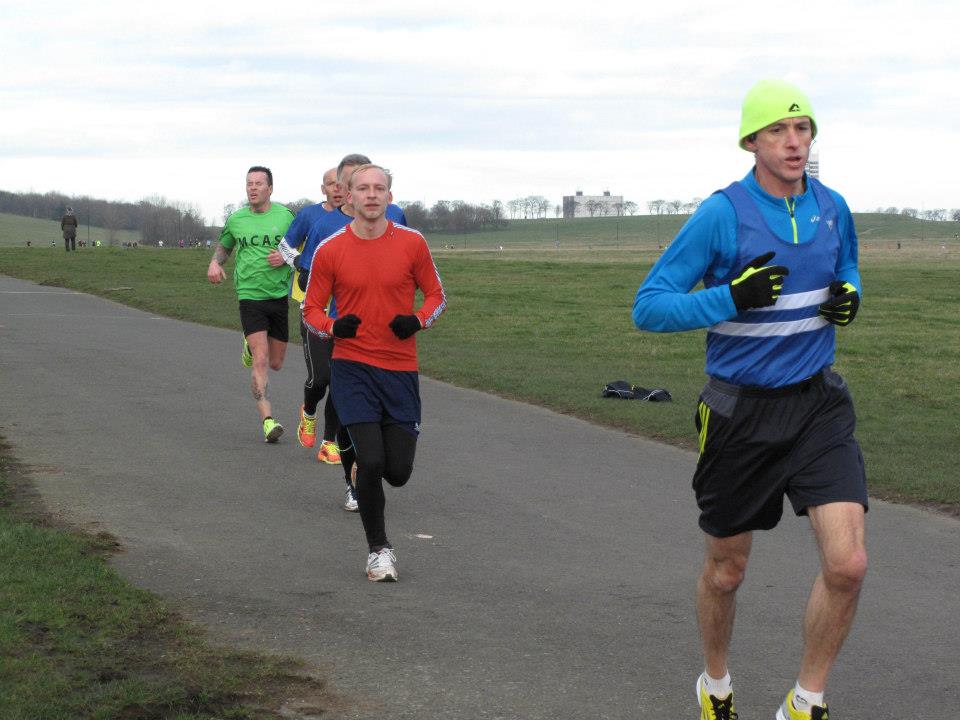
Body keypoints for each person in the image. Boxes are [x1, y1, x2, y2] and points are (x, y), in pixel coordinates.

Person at [632, 79, 866, 720]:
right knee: (727, 571)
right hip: (741, 410)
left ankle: (806, 701)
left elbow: (846, 268)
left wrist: (850, 296)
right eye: (778, 131)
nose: (794, 142)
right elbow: (648, 308)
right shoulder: (722, 214)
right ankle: (715, 683)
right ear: (751, 141)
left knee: (847, 565)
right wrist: (731, 297)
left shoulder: (833, 206)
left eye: (803, 129)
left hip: (819, 404)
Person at [302, 164, 445, 581]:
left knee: (397, 472)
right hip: (352, 366)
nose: (371, 195)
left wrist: (417, 320)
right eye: (362, 188)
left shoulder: (412, 243)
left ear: (389, 196)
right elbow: (311, 309)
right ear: (347, 195)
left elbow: (436, 295)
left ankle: (353, 455)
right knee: (371, 458)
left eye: (379, 188)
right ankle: (379, 551)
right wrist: (333, 327)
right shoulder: (331, 248)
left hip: (400, 369)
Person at [277, 154, 408, 511]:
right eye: (348, 184)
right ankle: (322, 431)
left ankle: (339, 448)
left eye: (370, 185)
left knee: (366, 402)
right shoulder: (321, 223)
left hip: (375, 328)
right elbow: (297, 257)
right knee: (325, 380)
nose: (351, 192)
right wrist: (303, 271)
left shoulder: (396, 218)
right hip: (328, 321)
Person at [207, 166, 295, 443]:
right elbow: (225, 246)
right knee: (261, 360)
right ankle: (268, 421)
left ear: (270, 188)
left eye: (259, 183)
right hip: (249, 295)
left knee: (277, 362)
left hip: (279, 296)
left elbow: (302, 248)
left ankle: (249, 343)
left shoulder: (286, 216)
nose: (253, 188)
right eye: (249, 183)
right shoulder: (236, 219)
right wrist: (214, 263)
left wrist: (286, 258)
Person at [271, 165, 348, 465]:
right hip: (312, 304)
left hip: (345, 311)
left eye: (342, 184)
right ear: (324, 189)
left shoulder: (359, 222)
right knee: (321, 379)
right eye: (332, 184)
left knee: (340, 380)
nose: (338, 189)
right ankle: (309, 410)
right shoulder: (312, 217)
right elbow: (285, 247)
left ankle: (329, 442)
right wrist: (302, 265)